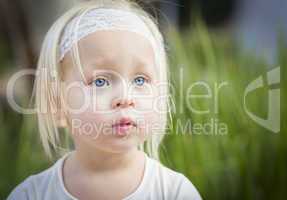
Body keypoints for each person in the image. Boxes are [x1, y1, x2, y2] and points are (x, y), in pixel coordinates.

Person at [7, 0, 201, 199]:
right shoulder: (31, 195)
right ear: (57, 103)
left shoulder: (174, 192)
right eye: (100, 82)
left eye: (140, 79)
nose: (125, 98)